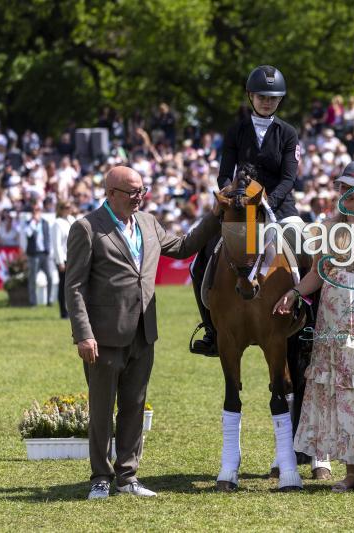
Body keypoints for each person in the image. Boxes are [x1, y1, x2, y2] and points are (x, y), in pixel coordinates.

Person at [65, 166, 221, 499]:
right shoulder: (87, 228)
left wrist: (215, 215)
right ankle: (100, 478)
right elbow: (74, 287)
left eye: (142, 190)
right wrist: (83, 334)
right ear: (111, 194)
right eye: (133, 191)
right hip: (103, 336)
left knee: (134, 406)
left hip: (143, 331)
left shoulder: (148, 223)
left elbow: (183, 246)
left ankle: (127, 477)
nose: (140, 196)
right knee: (101, 410)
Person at [274, 161, 354, 492]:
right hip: (333, 324)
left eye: (351, 188)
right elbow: (318, 273)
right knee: (341, 394)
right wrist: (293, 292)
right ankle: (350, 471)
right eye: (341, 188)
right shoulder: (329, 230)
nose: (344, 194)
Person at [190, 64, 301, 356]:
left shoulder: (288, 133)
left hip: (279, 206)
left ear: (280, 99)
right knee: (199, 258)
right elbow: (225, 174)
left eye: (273, 97)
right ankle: (212, 330)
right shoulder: (236, 130)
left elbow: (289, 177)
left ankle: (308, 322)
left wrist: (267, 203)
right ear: (250, 96)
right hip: (239, 206)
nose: (267, 101)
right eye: (262, 96)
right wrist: (233, 198)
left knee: (304, 244)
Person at [23, 202, 52, 306]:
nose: (36, 212)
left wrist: (48, 250)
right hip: (34, 254)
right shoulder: (28, 223)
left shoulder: (44, 223)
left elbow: (48, 237)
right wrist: (33, 222)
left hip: (44, 254)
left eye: (38, 210)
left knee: (50, 277)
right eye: (34, 210)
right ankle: (33, 301)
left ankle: (49, 300)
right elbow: (28, 234)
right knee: (32, 279)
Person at [52, 201, 73, 319]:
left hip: (73, 257)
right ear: (60, 209)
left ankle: (72, 309)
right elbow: (57, 244)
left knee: (72, 286)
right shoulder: (57, 223)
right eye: (66, 207)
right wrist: (60, 261)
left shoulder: (72, 219)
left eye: (70, 207)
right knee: (63, 285)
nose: (69, 209)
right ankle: (63, 312)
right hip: (64, 258)